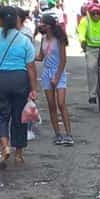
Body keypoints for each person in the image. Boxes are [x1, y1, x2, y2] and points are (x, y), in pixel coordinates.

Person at [0, 5, 38, 167]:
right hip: (20, 79)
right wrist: (33, 88)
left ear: (0, 20)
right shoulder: (23, 39)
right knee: (19, 117)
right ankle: (18, 155)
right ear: (16, 20)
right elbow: (30, 66)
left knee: (1, 116)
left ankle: (5, 146)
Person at [37, 13, 73, 145]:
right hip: (46, 73)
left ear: (49, 26)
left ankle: (69, 134)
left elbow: (63, 60)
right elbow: (40, 57)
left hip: (59, 72)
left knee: (61, 104)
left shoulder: (59, 40)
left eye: (43, 24)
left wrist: (57, 77)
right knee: (51, 106)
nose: (40, 26)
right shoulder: (43, 39)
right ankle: (58, 134)